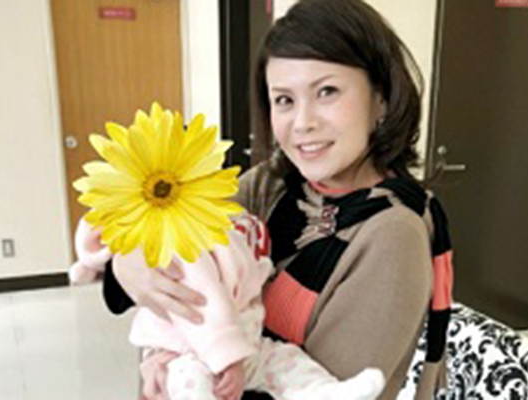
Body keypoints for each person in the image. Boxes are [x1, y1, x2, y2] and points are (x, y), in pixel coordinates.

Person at [95, 0, 454, 399]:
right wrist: (128, 262)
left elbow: (326, 390)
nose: (303, 123)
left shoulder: (392, 235)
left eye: (327, 91)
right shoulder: (271, 186)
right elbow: (181, 250)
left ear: (381, 98)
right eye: (284, 100)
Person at [71, 213, 386, 400]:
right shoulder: (187, 242)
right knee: (190, 383)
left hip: (251, 348)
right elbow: (202, 308)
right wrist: (227, 359)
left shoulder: (388, 229)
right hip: (191, 354)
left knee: (287, 361)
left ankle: (323, 392)